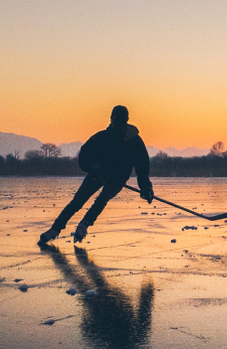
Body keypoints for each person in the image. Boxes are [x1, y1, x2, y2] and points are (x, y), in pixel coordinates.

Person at [38, 105, 154, 245]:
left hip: (118, 178)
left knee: (101, 200)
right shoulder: (102, 137)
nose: (118, 125)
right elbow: (85, 155)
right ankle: (55, 229)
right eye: (116, 121)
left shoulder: (134, 141)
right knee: (77, 202)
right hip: (98, 174)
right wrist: (95, 168)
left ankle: (84, 224)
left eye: (121, 121)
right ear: (112, 119)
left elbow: (142, 165)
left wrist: (145, 187)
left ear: (126, 121)